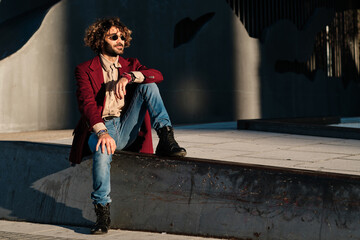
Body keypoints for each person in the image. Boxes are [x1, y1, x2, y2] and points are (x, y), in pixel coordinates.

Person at [69, 17, 186, 234]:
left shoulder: (130, 64)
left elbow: (157, 75)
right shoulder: (85, 69)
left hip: (126, 125)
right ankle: (102, 211)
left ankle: (167, 138)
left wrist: (130, 76)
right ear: (99, 39)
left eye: (122, 37)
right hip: (101, 127)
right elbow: (86, 104)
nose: (120, 40)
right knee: (101, 150)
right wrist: (102, 132)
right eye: (114, 37)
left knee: (149, 85)